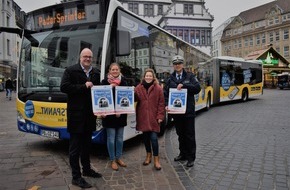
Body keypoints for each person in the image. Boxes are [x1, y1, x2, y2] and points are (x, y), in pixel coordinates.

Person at [60, 48, 102, 188]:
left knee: (86, 145)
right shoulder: (71, 70)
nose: (88, 59)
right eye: (85, 56)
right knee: (74, 148)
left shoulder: (96, 72)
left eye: (90, 57)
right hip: (76, 116)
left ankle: (87, 170)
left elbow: (100, 90)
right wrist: (83, 86)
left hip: (90, 115)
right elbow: (64, 87)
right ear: (80, 58)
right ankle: (76, 177)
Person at [164, 55, 201, 168]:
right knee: (180, 134)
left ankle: (191, 158)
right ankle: (183, 154)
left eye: (179, 63)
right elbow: (165, 93)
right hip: (176, 112)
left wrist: (185, 85)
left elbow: (197, 88)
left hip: (188, 112)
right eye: (175, 64)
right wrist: (166, 105)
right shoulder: (170, 78)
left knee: (189, 135)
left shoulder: (190, 76)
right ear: (173, 65)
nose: (177, 65)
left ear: (182, 65)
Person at [135, 68, 165, 170]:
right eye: (147, 76)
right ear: (144, 77)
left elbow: (161, 104)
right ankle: (148, 156)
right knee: (146, 139)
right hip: (143, 117)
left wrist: (160, 116)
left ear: (153, 77)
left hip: (154, 118)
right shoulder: (139, 87)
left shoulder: (158, 88)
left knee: (154, 139)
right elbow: (135, 99)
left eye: (150, 76)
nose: (148, 77)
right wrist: (131, 93)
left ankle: (156, 160)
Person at [100, 63, 128, 171]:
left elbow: (127, 98)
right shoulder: (104, 82)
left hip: (120, 115)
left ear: (119, 71)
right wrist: (109, 87)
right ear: (109, 71)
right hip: (109, 115)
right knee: (111, 139)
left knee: (120, 139)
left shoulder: (124, 82)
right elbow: (100, 97)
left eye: (117, 69)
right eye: (113, 69)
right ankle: (112, 160)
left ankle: (119, 158)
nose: (115, 71)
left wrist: (122, 110)